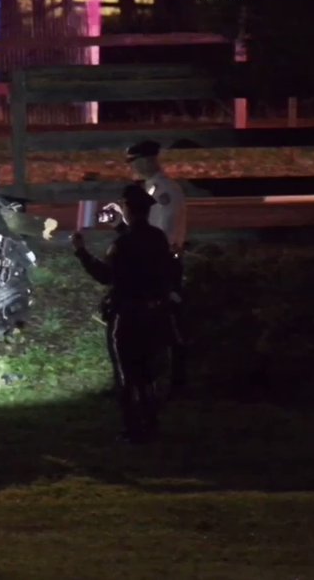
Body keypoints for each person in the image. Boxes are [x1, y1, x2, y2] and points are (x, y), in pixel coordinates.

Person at [73, 183, 179, 444]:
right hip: (155, 313)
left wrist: (81, 251)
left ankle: (133, 429)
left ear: (129, 209)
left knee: (128, 375)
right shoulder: (157, 237)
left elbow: (105, 275)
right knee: (149, 371)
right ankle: (151, 424)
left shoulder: (123, 244)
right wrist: (119, 227)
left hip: (128, 315)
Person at [103, 140, 190, 393]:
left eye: (132, 162)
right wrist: (121, 225)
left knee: (167, 324)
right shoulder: (153, 188)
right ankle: (155, 380)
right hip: (156, 262)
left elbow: (162, 233)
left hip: (162, 264)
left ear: (145, 160)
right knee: (158, 324)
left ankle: (172, 382)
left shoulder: (164, 190)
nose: (130, 167)